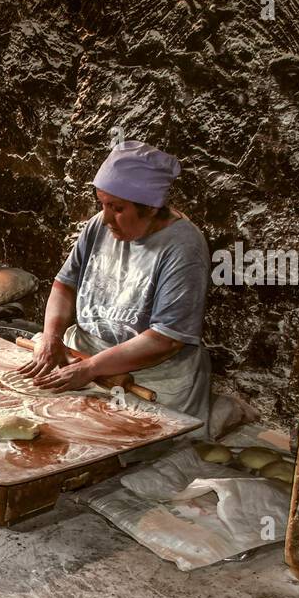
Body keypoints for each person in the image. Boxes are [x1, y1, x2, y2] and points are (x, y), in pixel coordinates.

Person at [21, 140, 212, 435]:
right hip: (84, 350)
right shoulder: (100, 225)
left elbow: (165, 340)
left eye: (117, 208)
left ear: (150, 209)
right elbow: (64, 285)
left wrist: (91, 369)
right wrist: (51, 337)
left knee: (117, 447)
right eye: (103, 204)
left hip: (151, 374)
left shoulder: (183, 248)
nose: (106, 217)